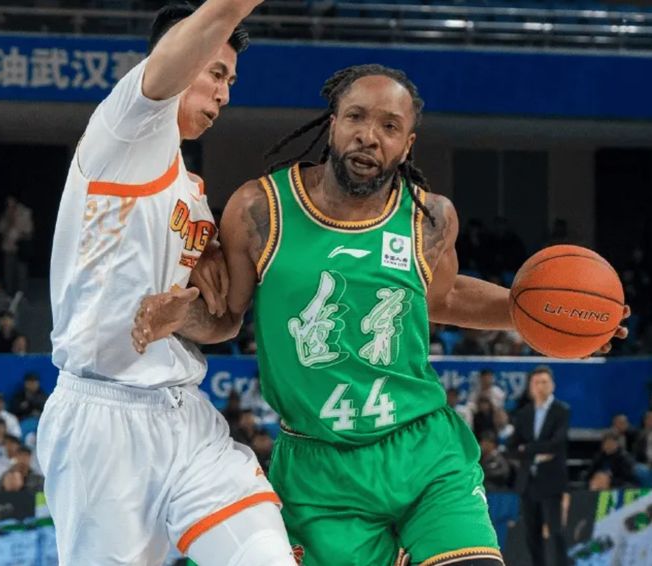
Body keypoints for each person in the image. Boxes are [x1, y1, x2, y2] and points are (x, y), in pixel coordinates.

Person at [132, 65, 628, 566]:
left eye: (390, 126)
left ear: (407, 146)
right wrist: (179, 320)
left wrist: (553, 321)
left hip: (423, 451)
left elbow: (443, 298)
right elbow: (228, 316)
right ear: (333, 125)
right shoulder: (260, 209)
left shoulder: (430, 218)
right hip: (319, 467)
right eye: (356, 117)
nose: (369, 135)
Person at [36, 2, 296, 566]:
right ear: (180, 56)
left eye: (231, 82)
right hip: (102, 421)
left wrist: (184, 318)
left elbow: (224, 323)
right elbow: (214, 17)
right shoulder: (124, 129)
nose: (224, 94)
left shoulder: (192, 194)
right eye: (216, 73)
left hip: (184, 415)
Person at [508, 366, 570, 566]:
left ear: (552, 385)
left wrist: (527, 448)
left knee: (556, 532)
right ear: (530, 387)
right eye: (536, 382)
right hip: (528, 480)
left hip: (551, 480)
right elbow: (511, 447)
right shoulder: (524, 413)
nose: (540, 386)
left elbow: (557, 443)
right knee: (531, 535)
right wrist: (536, 451)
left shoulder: (561, 411)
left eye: (544, 382)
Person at [0, 194, 33, 294]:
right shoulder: (6, 213)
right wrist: (8, 220)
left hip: (20, 248)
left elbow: (29, 232)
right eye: (8, 203)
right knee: (8, 273)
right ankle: (10, 294)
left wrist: (20, 236)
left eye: (11, 202)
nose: (10, 205)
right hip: (8, 248)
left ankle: (22, 296)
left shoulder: (25, 212)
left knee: (21, 273)